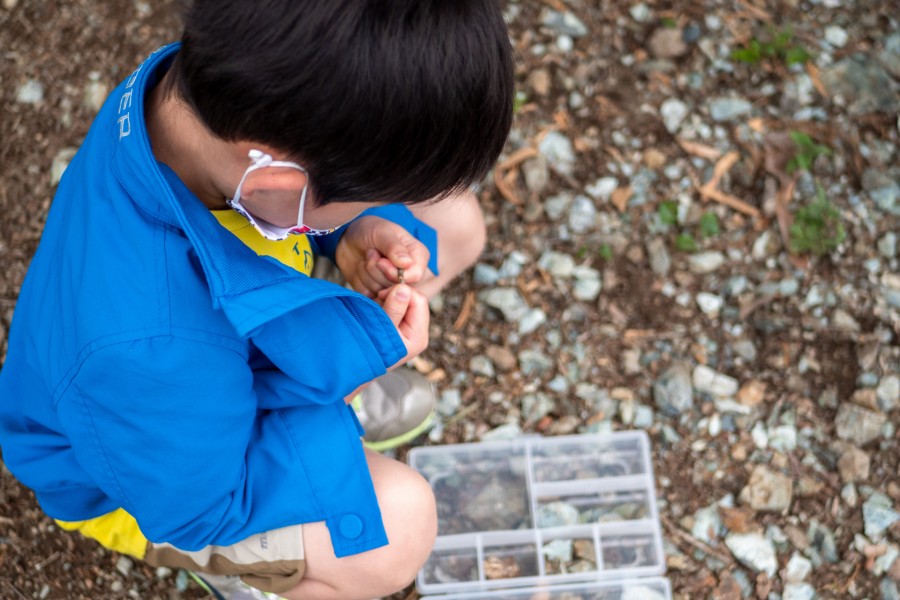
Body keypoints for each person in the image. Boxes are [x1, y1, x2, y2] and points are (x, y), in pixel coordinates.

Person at [0, 1, 514, 599]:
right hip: (151, 483)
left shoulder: (181, 100)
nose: (366, 209)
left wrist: (349, 232)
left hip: (194, 387)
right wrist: (339, 376)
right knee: (397, 527)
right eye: (354, 201)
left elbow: (294, 191)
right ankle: (260, 576)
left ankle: (322, 409)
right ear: (276, 182)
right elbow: (204, 504)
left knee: (454, 224)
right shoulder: (146, 346)